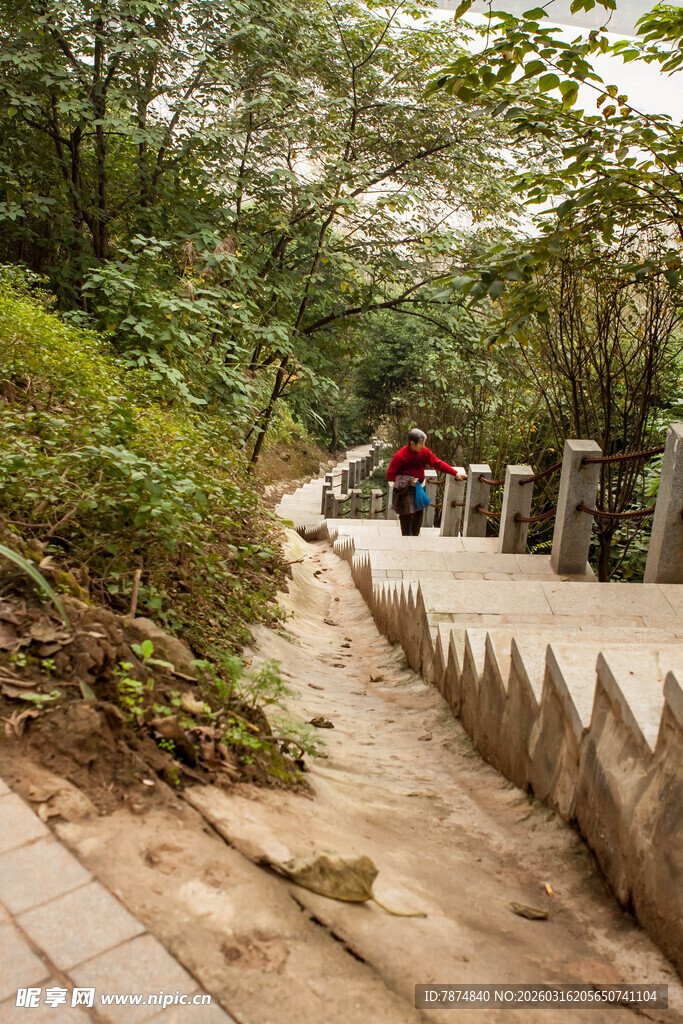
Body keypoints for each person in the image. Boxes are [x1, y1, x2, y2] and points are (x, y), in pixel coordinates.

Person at [386, 428, 467, 536]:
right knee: (406, 515)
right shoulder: (400, 456)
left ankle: (415, 536)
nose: (423, 446)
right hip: (405, 490)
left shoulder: (424, 452)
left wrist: (455, 473)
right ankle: (406, 538)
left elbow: (437, 463)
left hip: (420, 487)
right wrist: (408, 481)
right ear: (412, 443)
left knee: (418, 513)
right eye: (421, 444)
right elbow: (390, 475)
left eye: (424, 443)